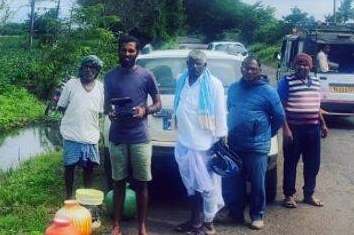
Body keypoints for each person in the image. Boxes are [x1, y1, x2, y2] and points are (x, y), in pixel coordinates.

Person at [104, 35, 162, 235]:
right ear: (119, 51)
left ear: (137, 53)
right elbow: (106, 105)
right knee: (118, 182)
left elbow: (158, 104)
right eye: (124, 50)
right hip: (117, 137)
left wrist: (144, 110)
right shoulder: (110, 76)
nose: (127, 54)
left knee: (142, 183)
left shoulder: (146, 76)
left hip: (140, 137)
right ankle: (117, 225)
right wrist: (110, 111)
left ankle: (142, 226)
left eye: (131, 51)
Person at [220, 56, 285, 230]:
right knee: (234, 182)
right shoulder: (233, 89)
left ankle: (257, 215)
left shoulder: (268, 91)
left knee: (257, 183)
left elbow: (279, 116)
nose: (250, 71)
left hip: (257, 147)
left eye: (253, 69)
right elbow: (230, 109)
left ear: (259, 70)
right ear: (241, 69)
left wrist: (266, 134)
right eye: (247, 68)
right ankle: (235, 214)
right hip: (235, 145)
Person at [172, 50, 227, 235]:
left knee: (208, 187)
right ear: (187, 63)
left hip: (205, 145)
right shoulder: (182, 79)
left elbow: (220, 113)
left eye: (199, 64)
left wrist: (220, 140)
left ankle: (209, 223)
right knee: (192, 187)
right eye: (192, 63)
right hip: (184, 143)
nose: (195, 67)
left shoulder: (214, 84)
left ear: (205, 65)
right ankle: (195, 222)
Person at [278, 53, 329, 209]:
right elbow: (280, 107)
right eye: (299, 63)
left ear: (310, 66)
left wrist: (323, 124)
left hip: (312, 129)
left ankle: (309, 194)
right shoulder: (286, 82)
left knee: (313, 164)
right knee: (291, 162)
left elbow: (316, 106)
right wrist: (285, 129)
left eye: (305, 64)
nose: (302, 66)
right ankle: (289, 195)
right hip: (293, 129)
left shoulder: (316, 82)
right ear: (294, 65)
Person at [57, 55, 105, 199]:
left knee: (89, 169)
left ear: (97, 71)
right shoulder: (71, 84)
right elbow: (62, 107)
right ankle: (69, 198)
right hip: (71, 134)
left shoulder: (101, 87)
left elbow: (100, 113)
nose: (89, 70)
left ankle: (87, 199)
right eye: (86, 66)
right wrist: (73, 119)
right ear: (81, 68)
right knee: (69, 167)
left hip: (91, 135)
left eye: (92, 67)